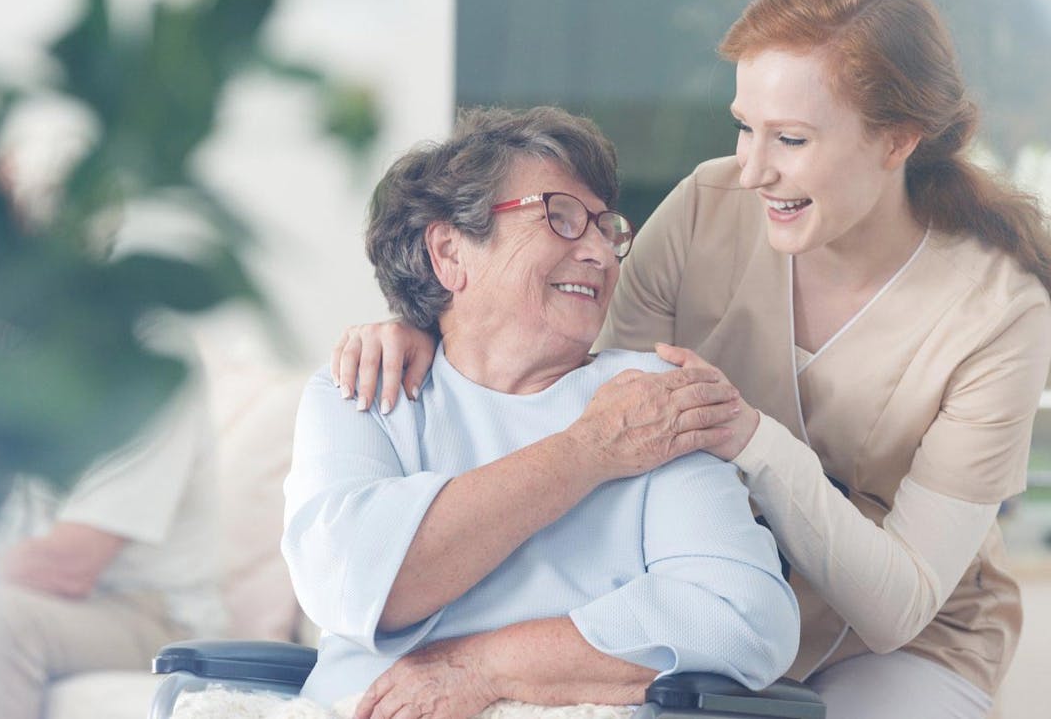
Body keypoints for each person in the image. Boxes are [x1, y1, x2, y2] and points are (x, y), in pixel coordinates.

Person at [328, 0, 1051, 718]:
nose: (752, 168)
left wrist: (751, 439)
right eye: (744, 127)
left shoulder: (998, 314)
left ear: (898, 140)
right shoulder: (710, 204)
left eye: (791, 139)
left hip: (898, 643)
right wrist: (433, 316)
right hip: (704, 609)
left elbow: (898, 606)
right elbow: (580, 390)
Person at [282, 106, 800, 719]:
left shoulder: (651, 400)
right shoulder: (367, 388)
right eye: (561, 218)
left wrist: (485, 668)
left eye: (607, 230)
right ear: (449, 251)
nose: (601, 256)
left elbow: (744, 618)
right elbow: (352, 582)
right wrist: (589, 451)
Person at [0, 363, 227, 719]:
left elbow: (68, 566)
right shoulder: (15, 361)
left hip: (159, 616)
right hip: (62, 601)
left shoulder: (150, 364)